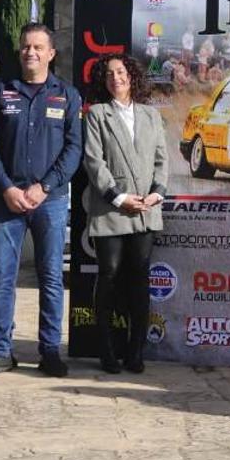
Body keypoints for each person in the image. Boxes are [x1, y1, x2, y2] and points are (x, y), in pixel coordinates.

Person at [0, 23, 82, 379]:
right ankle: (0, 351)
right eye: (25, 47)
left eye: (38, 47)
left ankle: (50, 351)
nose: (30, 53)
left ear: (51, 53)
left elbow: (73, 149)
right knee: (3, 277)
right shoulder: (0, 91)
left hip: (49, 201)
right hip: (5, 199)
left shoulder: (67, 95)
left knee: (51, 277)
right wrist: (7, 188)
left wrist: (45, 187)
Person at [83, 54, 168, 374]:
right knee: (109, 274)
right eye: (108, 74)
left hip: (146, 209)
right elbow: (93, 161)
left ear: (131, 76)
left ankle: (136, 352)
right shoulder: (97, 115)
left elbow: (163, 160)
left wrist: (157, 193)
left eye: (120, 72)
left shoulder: (150, 115)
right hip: (111, 209)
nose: (115, 78)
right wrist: (118, 198)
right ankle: (106, 350)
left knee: (139, 279)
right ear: (103, 81)